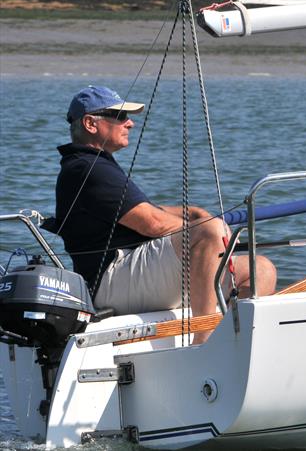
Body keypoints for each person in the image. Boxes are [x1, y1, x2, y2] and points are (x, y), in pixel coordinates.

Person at [53, 85, 276, 343]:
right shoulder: (88, 168)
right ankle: (204, 343)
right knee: (209, 231)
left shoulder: (91, 166)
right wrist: (207, 227)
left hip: (133, 274)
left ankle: (235, 342)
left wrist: (192, 213)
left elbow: (141, 210)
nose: (130, 123)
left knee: (260, 270)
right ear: (91, 123)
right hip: (110, 280)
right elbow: (152, 223)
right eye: (120, 116)